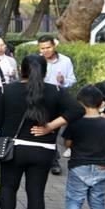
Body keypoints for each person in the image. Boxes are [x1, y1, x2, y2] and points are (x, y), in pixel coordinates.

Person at [0, 54, 83, 209]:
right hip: (42, 150)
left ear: (22, 69)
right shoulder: (56, 91)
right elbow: (77, 110)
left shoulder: (7, 90)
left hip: (14, 148)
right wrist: (50, 126)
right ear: (45, 71)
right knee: (36, 191)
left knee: (8, 186)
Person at [38, 35, 76, 175]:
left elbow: (72, 80)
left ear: (54, 46)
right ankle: (49, 159)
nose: (45, 51)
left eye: (48, 47)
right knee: (43, 130)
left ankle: (53, 160)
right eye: (42, 48)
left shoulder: (65, 61)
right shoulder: (37, 60)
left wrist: (63, 80)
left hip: (59, 101)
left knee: (53, 131)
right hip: (41, 100)